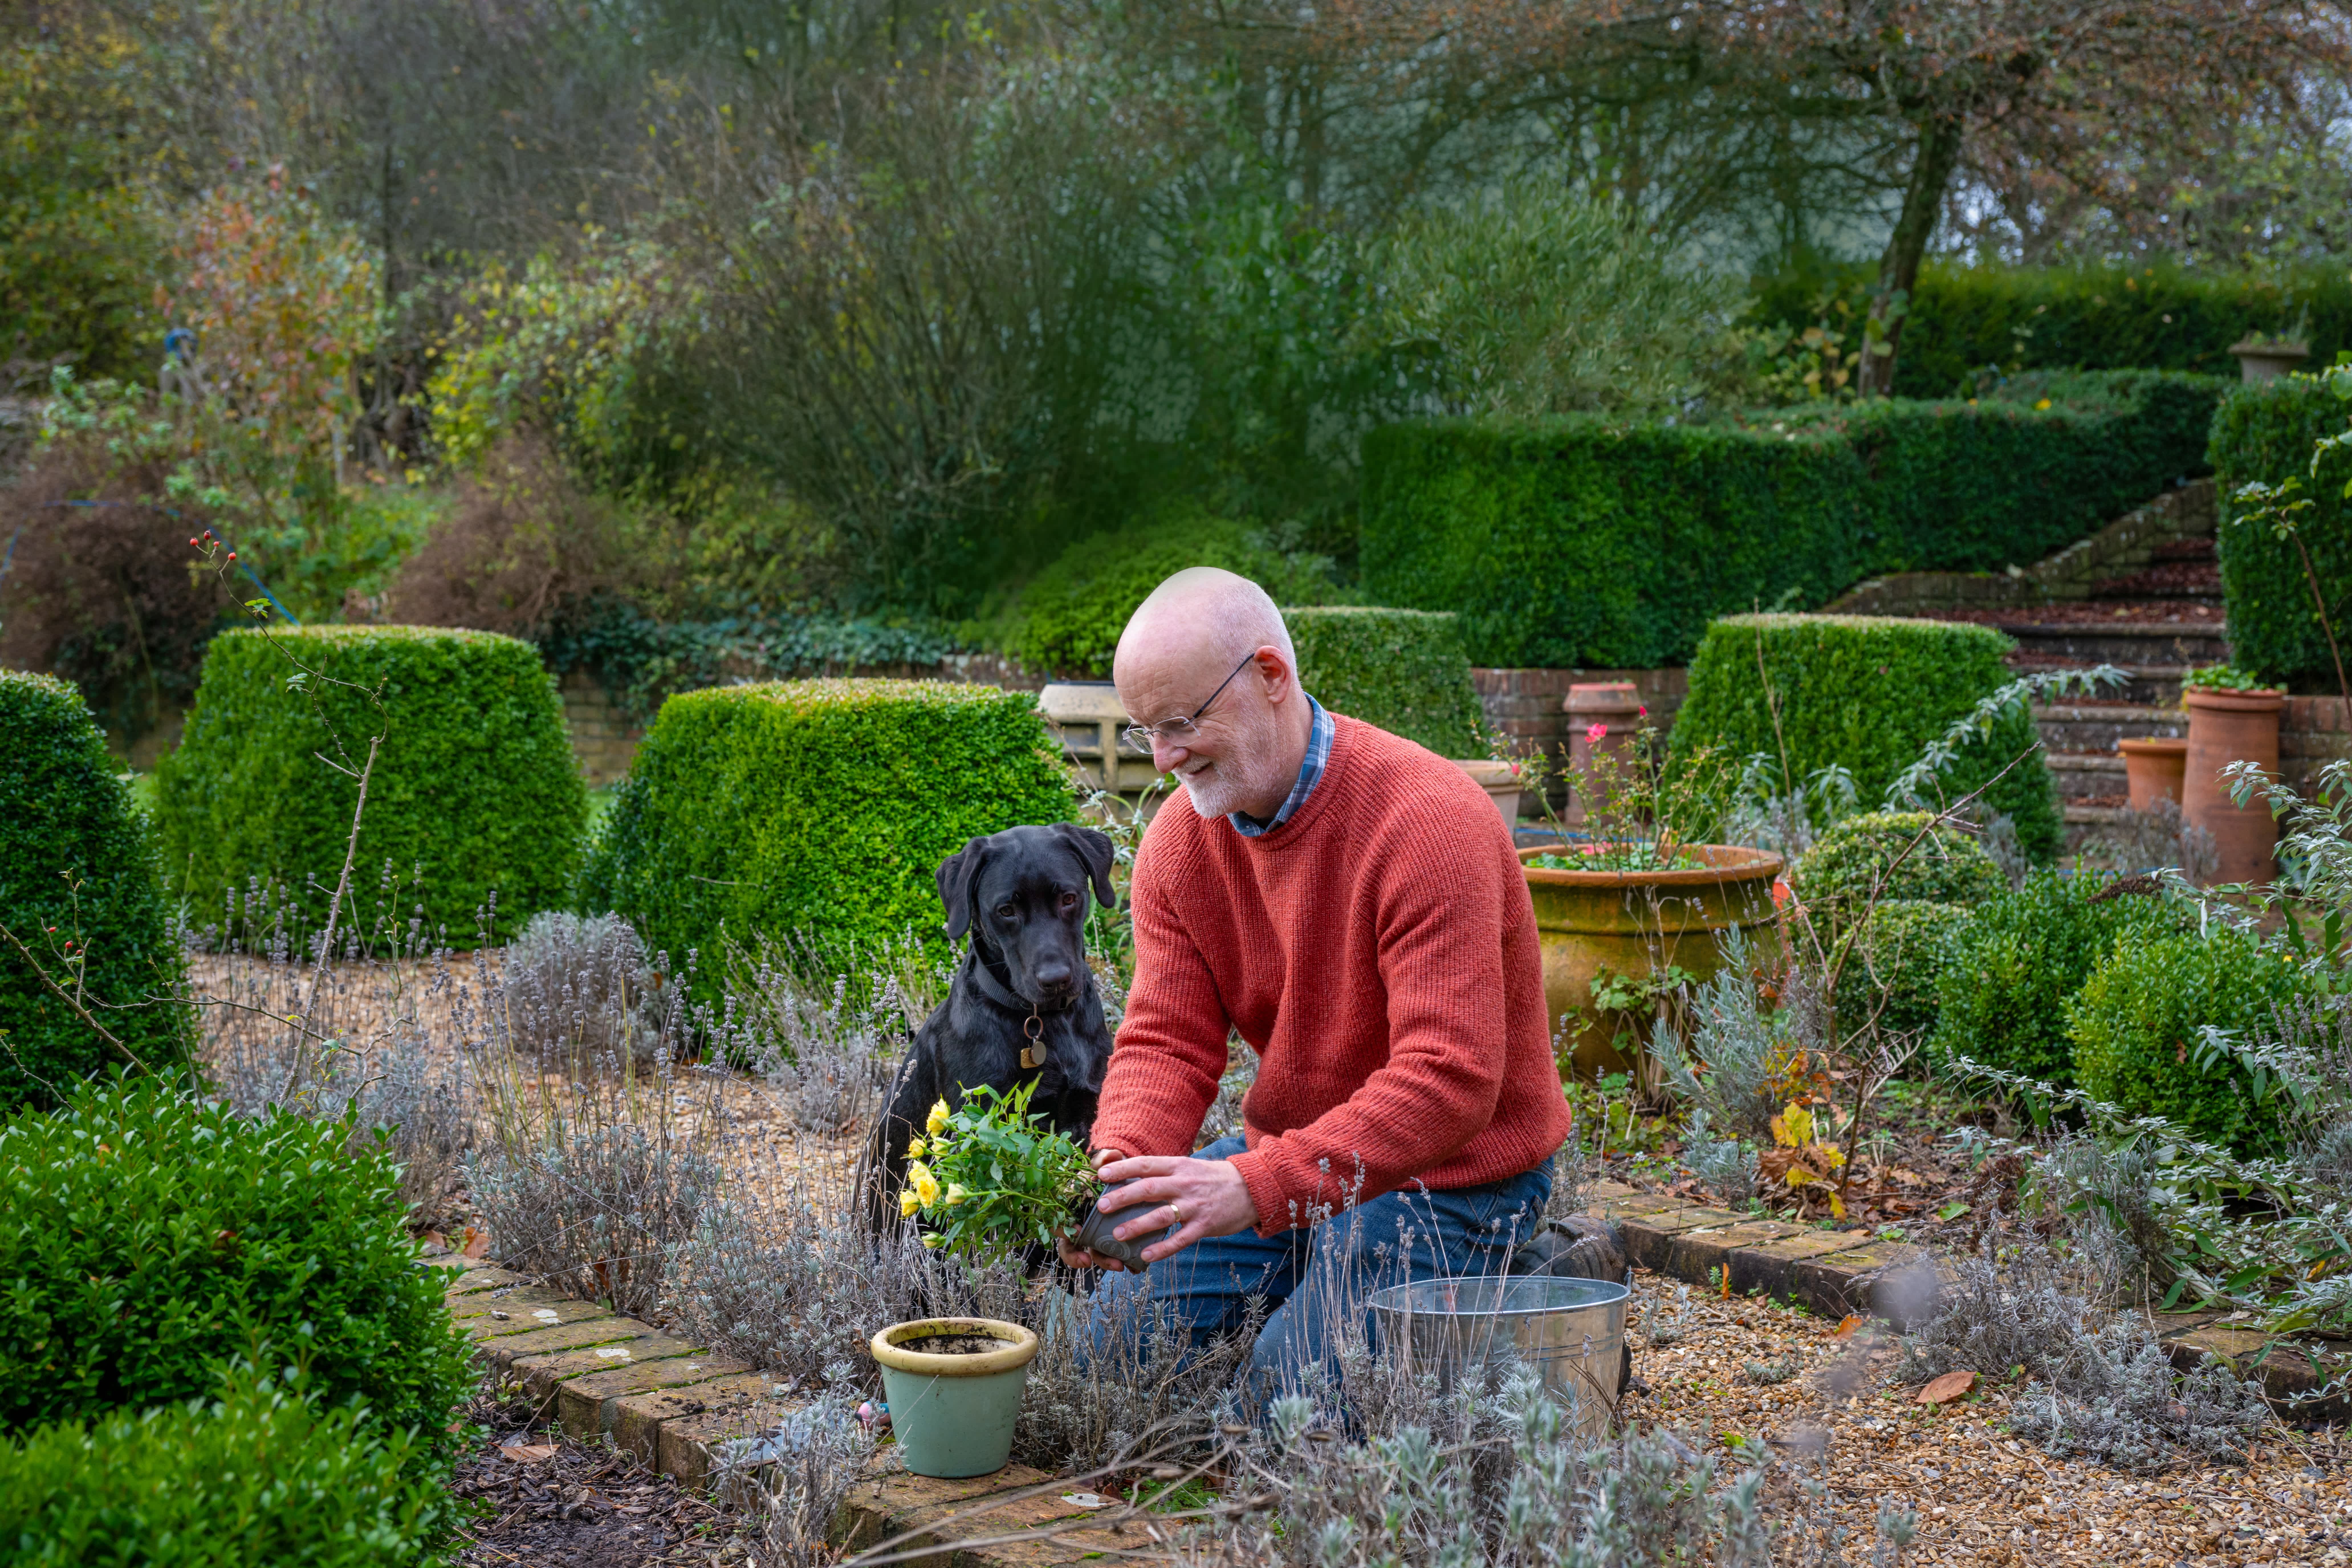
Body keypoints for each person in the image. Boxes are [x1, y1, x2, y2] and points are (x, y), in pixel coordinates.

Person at [1057, 567, 1571, 1392]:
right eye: (1146, 729)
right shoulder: (1180, 847)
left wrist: (1254, 1188)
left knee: (1290, 1403)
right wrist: (1124, 1174)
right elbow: (1165, 1039)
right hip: (1295, 1161)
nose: (1162, 758)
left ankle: (1519, 1274)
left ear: (1269, 676)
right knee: (1098, 1362)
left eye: (1182, 722)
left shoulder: (1427, 822)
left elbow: (1449, 1081)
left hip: (1456, 1177)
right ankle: (1324, 1271)